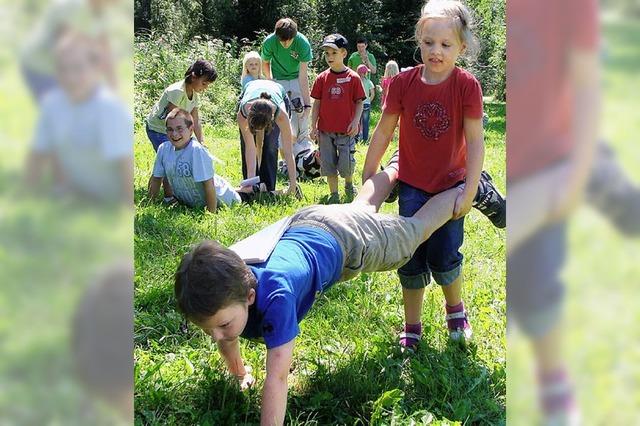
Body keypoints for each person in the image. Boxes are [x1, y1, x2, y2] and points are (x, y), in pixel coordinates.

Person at [174, 160, 463, 426]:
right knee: (360, 208)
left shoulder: (277, 296)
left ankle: (464, 190)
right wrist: (239, 374)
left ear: (250, 296)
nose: (217, 336)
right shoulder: (230, 287)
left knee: (415, 231)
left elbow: (277, 377)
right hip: (309, 220)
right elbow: (226, 337)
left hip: (348, 242)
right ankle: (397, 165)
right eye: (208, 329)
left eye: (222, 326)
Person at [362, 0, 490, 349]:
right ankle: (412, 325)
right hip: (413, 187)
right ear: (419, 39)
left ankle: (455, 310)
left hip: (451, 187)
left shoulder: (466, 86)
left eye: (446, 45)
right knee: (411, 255)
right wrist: (370, 174)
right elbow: (384, 131)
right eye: (429, 42)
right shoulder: (402, 83)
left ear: (461, 48)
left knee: (445, 255)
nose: (436, 51)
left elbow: (476, 141)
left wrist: (470, 189)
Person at [26, 32, 133, 204]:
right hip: (71, 192)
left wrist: (126, 205)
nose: (70, 77)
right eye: (62, 69)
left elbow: (125, 162)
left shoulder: (109, 108)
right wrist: (28, 194)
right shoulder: (52, 103)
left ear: (96, 69)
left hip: (107, 195)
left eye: (78, 68)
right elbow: (38, 152)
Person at [146, 60, 217, 202]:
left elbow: (195, 120)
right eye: (204, 83)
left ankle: (172, 194)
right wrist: (186, 138)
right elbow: (173, 119)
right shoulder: (177, 91)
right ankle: (168, 197)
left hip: (174, 129)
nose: (205, 87)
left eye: (208, 85)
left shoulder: (194, 94)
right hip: (159, 129)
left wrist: (201, 141)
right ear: (193, 77)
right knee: (168, 160)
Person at [148, 109, 241, 213]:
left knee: (239, 196)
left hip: (225, 200)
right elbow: (156, 179)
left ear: (191, 129)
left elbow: (208, 185)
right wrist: (149, 204)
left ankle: (249, 191)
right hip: (192, 203)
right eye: (170, 129)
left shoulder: (196, 150)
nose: (174, 134)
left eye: (179, 129)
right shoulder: (164, 149)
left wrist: (211, 214)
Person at [310, 34, 365, 203]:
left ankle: (349, 184)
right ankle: (334, 195)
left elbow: (359, 103)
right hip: (325, 130)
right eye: (327, 53)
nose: (329, 57)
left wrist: (355, 121)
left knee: (346, 166)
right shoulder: (322, 78)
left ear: (343, 53)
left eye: (333, 53)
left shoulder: (353, 78)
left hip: (346, 131)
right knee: (328, 164)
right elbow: (316, 104)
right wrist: (313, 127)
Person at [237, 79, 298, 195]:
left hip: (277, 93)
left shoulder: (280, 115)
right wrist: (250, 184)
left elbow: (288, 152)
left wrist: (293, 185)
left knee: (270, 145)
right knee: (247, 144)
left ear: (271, 119)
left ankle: (268, 187)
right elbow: (250, 147)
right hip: (251, 89)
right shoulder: (243, 112)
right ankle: (252, 185)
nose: (260, 131)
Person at [261, 18, 313, 150]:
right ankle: (282, 149)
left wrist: (307, 104)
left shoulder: (302, 43)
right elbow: (265, 63)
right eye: (282, 40)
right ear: (276, 35)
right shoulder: (269, 42)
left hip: (297, 78)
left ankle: (304, 150)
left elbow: (303, 75)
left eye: (289, 40)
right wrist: (270, 81)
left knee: (301, 113)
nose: (285, 43)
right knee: (280, 114)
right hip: (278, 79)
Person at [356, 64, 375, 143]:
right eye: (366, 72)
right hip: (366, 104)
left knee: (357, 121)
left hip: (357, 104)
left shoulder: (356, 82)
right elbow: (373, 94)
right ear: (363, 73)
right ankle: (365, 139)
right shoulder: (369, 82)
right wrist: (369, 101)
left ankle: (356, 138)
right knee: (365, 122)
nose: (367, 73)